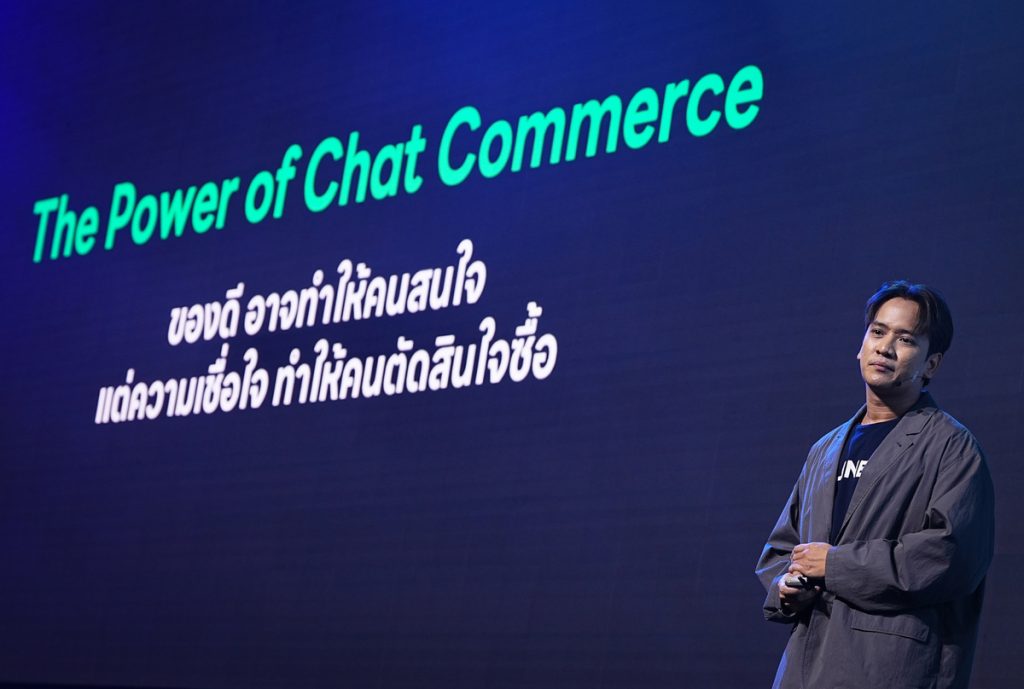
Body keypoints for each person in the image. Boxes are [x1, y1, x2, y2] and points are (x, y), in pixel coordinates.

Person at [755, 280, 994, 689]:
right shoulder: (824, 449)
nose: (885, 347)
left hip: (889, 670)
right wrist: (786, 586)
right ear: (861, 344)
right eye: (878, 332)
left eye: (906, 339)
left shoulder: (951, 446)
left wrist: (835, 566)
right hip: (804, 669)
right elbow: (783, 549)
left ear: (931, 364)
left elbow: (949, 558)